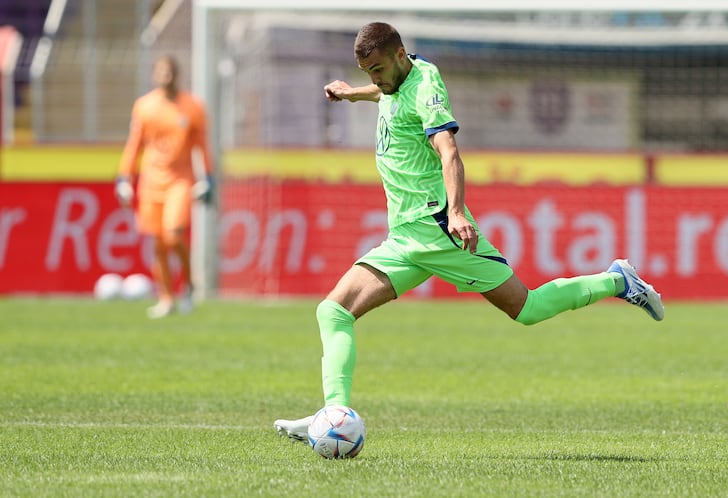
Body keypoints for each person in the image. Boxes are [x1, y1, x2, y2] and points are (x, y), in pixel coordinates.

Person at [274, 22, 664, 443]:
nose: (375, 79)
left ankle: (617, 280)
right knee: (333, 311)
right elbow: (389, 94)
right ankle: (333, 413)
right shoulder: (396, 81)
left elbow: (448, 150)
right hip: (405, 239)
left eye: (379, 69)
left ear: (401, 56)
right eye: (367, 71)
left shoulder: (425, 87)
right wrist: (354, 92)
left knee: (527, 309)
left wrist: (457, 212)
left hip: (439, 233)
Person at [115, 54, 214, 319]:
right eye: (160, 72)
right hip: (150, 182)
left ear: (176, 74)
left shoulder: (193, 107)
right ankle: (167, 297)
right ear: (154, 75)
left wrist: (209, 177)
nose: (165, 76)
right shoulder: (144, 106)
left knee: (174, 234)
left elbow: (202, 146)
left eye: (169, 71)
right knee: (158, 243)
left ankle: (189, 284)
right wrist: (124, 177)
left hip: (180, 180)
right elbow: (134, 144)